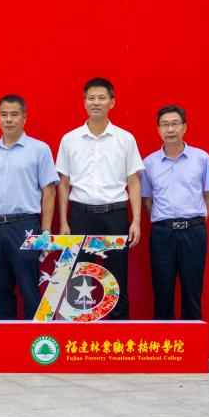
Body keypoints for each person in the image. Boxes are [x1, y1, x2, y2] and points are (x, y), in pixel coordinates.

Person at [56, 77, 143, 320]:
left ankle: (118, 332)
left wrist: (136, 221)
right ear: (84, 102)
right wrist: (63, 222)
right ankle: (80, 333)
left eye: (102, 98)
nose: (96, 102)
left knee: (117, 278)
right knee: (79, 278)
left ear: (112, 102)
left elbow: (134, 181)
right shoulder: (70, 139)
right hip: (80, 215)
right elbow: (63, 183)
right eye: (91, 98)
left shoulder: (125, 139)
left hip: (115, 215)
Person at [0, 95, 58, 320]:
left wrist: (45, 232)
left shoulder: (39, 149)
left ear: (24, 118)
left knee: (29, 287)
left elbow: (49, 191)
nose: (9, 119)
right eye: (4, 114)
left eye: (14, 114)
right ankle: (6, 338)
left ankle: (32, 338)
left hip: (25, 226)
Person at [142, 105, 209, 320]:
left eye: (175, 124)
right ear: (158, 129)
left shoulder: (202, 158)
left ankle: (191, 338)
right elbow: (147, 201)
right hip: (162, 233)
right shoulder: (149, 163)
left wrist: (197, 221)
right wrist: (164, 222)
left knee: (192, 290)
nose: (170, 129)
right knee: (162, 291)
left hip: (194, 231)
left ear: (184, 127)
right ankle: (164, 339)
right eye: (165, 124)